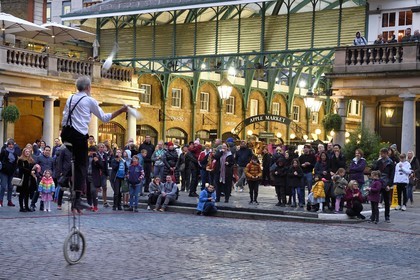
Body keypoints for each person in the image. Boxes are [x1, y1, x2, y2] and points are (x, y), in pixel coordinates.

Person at [60, 76, 127, 211]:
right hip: (78, 137)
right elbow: (104, 117)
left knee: (75, 158)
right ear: (88, 87)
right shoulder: (89, 100)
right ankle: (77, 200)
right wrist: (121, 110)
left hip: (65, 134)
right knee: (82, 166)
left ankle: (65, 179)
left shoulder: (70, 98)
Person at [372, 148, 395, 223]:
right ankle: (374, 216)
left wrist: (389, 184)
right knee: (374, 199)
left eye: (382, 154)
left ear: (386, 154)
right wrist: (376, 161)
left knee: (386, 199)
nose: (381, 155)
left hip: (386, 182)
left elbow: (392, 175)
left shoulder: (391, 163)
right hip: (378, 181)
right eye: (380, 154)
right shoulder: (379, 161)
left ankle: (387, 216)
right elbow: (374, 169)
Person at [0, 139, 19, 207]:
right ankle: (1, 200)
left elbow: (15, 162)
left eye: (12, 144)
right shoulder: (4, 151)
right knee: (3, 186)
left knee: (10, 187)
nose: (11, 146)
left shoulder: (15, 153)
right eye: (9, 144)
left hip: (11, 172)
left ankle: (9, 200)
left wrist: (14, 169)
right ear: (7, 145)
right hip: (4, 171)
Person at [17, 148, 35, 212]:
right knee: (22, 193)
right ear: (23, 152)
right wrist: (30, 171)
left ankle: (27, 206)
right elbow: (21, 169)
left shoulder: (31, 160)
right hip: (23, 178)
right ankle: (21, 207)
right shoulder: (21, 160)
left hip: (29, 179)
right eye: (26, 151)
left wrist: (34, 169)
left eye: (28, 152)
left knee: (27, 193)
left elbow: (33, 168)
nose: (27, 153)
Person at [97, 143, 110, 208]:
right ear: (98, 148)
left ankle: (105, 201)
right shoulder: (96, 155)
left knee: (104, 187)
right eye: (100, 147)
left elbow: (106, 165)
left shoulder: (105, 154)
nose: (102, 148)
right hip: (97, 174)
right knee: (96, 188)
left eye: (103, 147)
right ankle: (95, 201)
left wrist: (107, 174)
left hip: (104, 174)